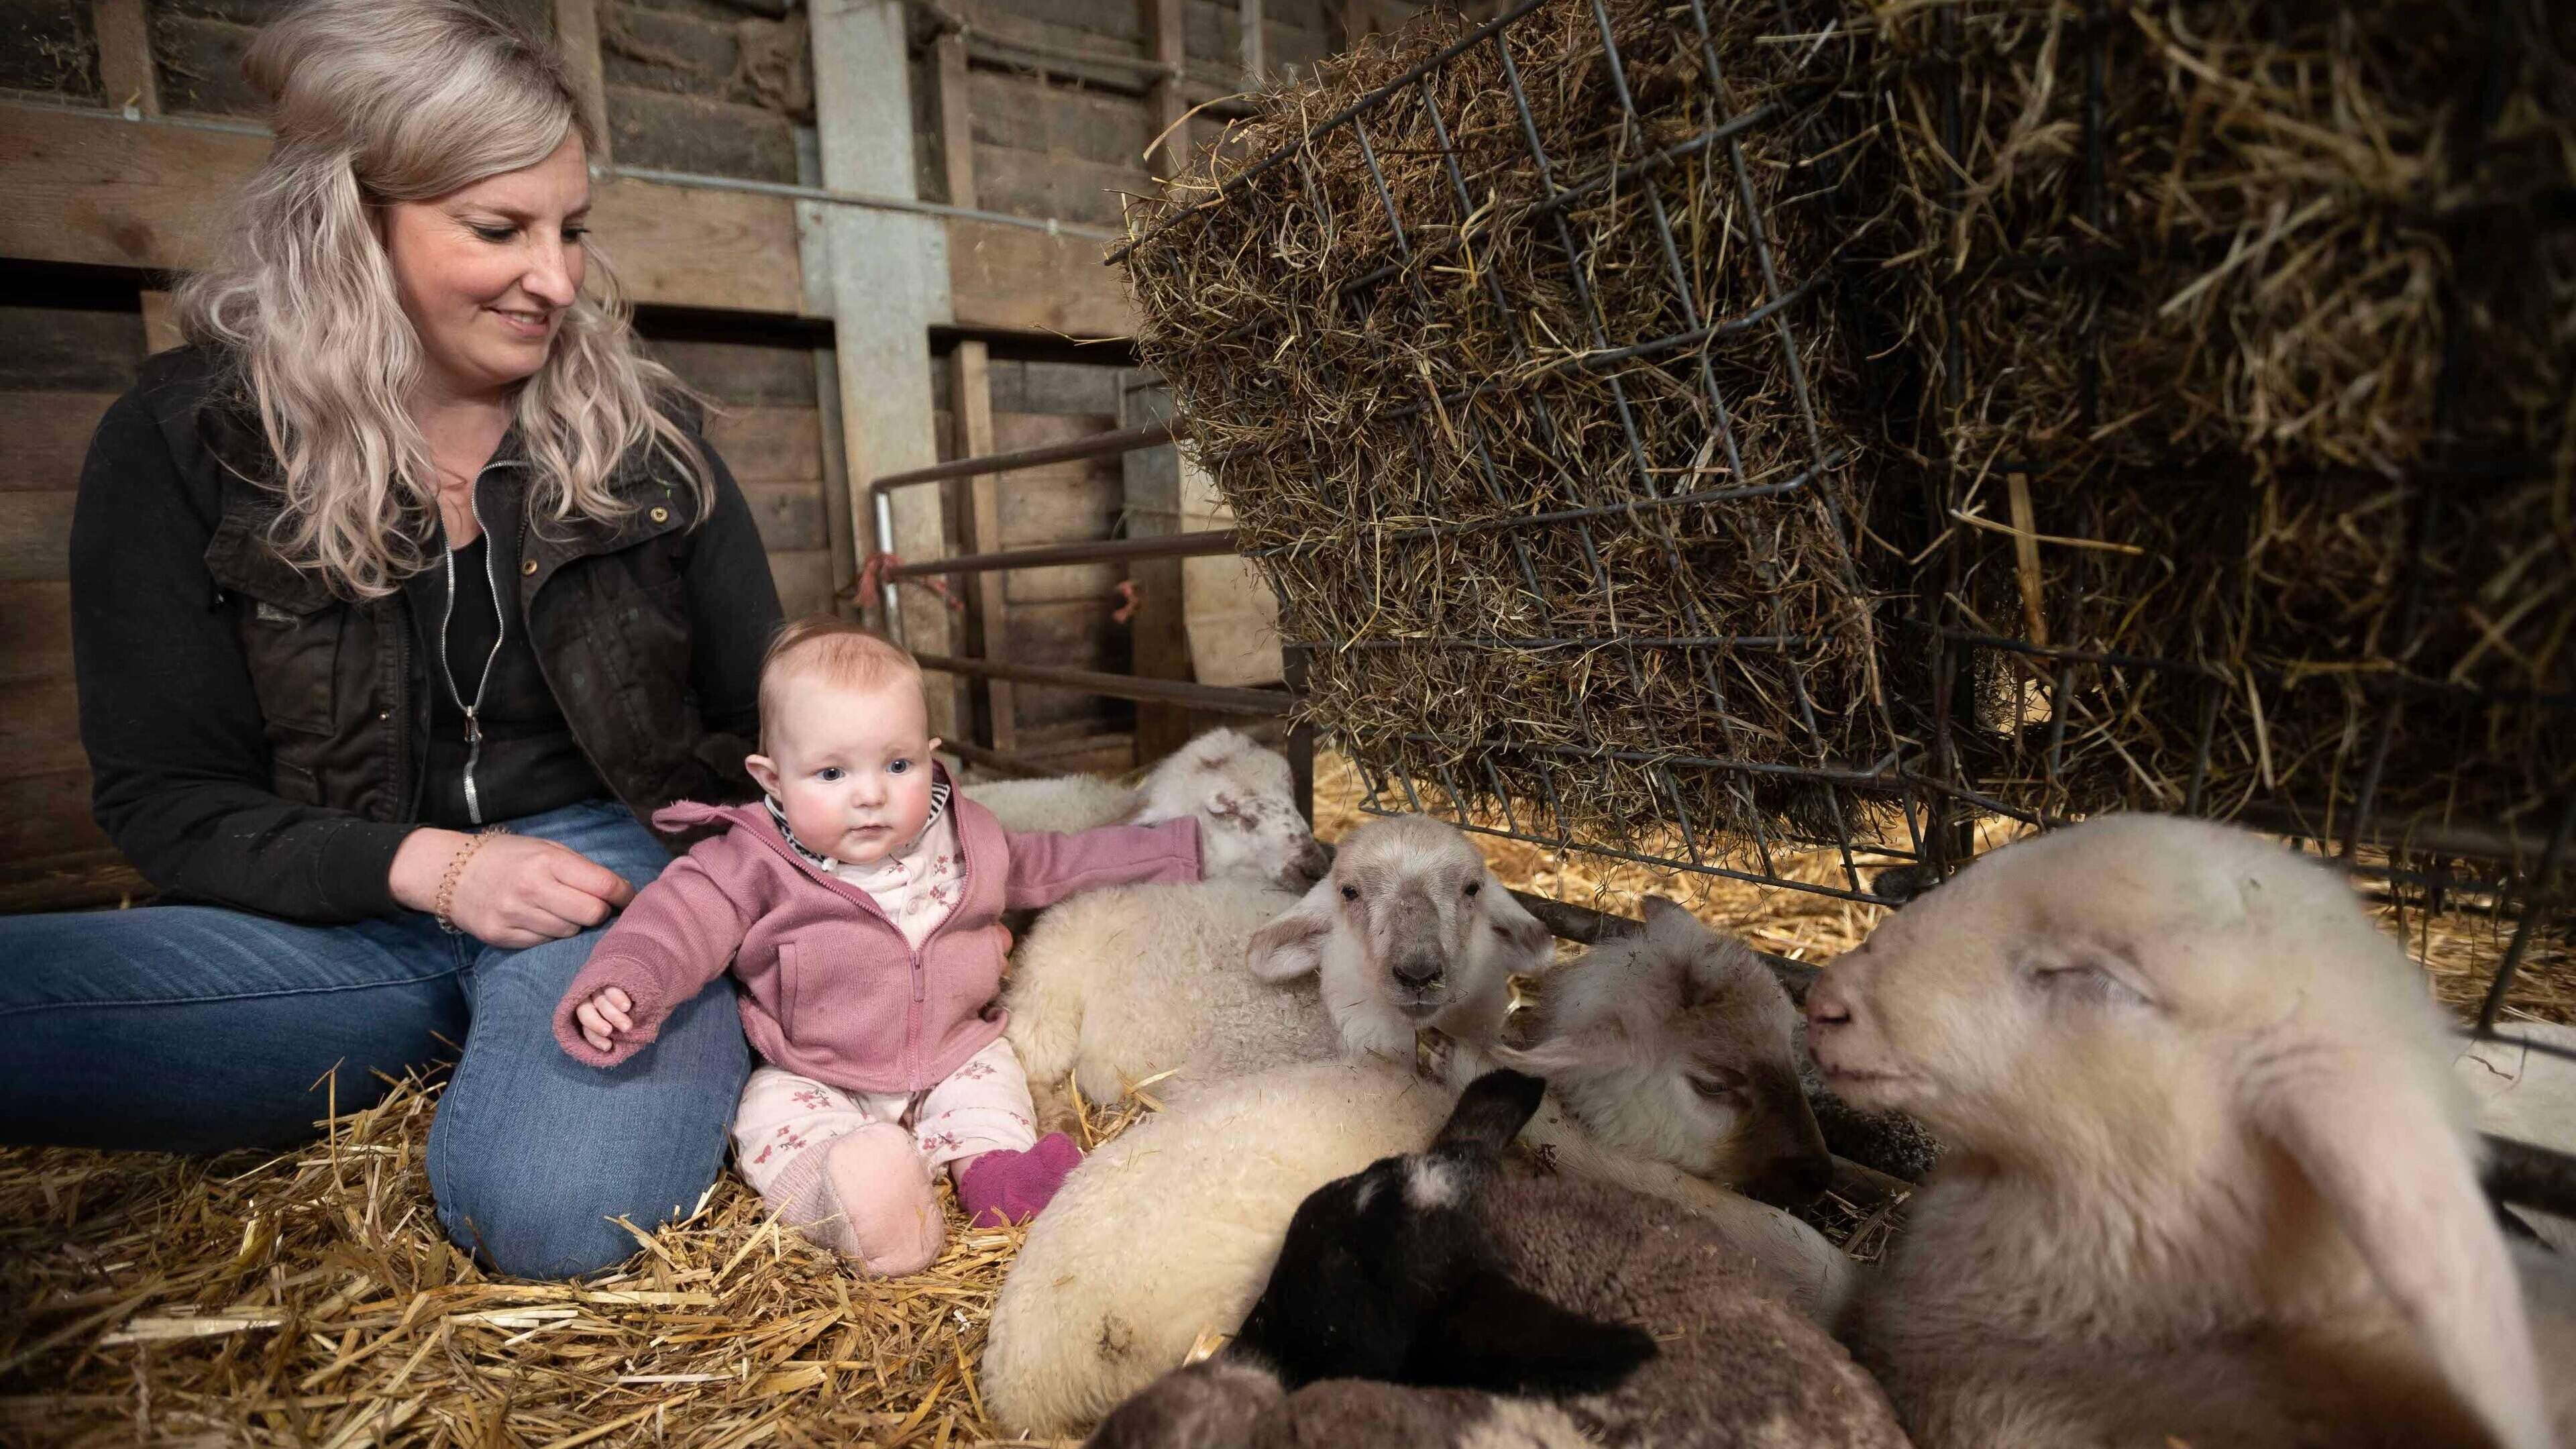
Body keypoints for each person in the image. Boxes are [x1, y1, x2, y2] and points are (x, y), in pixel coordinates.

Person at [0, 0, 782, 1279]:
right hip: (333, 895)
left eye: (571, 229)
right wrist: (431, 870)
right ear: (352, 224)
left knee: (547, 1212)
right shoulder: (188, 436)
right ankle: (444, 1012)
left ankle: (475, 1031)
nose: (560, 279)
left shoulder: (653, 440)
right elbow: (164, 797)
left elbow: (760, 724)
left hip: (608, 887)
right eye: (500, 230)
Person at [554, 619, 1202, 1277]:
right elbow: (680, 919)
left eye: (898, 765)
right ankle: (852, 1195)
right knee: (771, 1123)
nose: (870, 795)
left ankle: (1002, 1180)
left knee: (991, 1093)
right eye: (832, 772)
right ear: (771, 779)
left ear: (930, 753)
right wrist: (629, 979)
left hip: (952, 1051)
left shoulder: (964, 836)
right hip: (815, 1069)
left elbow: (1051, 863)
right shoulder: (752, 859)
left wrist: (1166, 848)